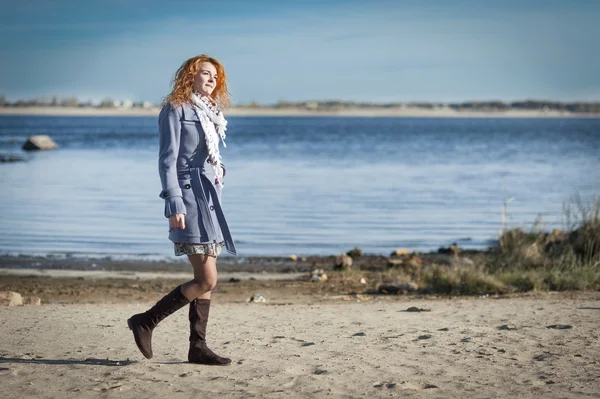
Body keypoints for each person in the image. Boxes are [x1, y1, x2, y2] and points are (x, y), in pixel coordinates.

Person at [127, 54, 237, 366]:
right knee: (206, 279)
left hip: (210, 199)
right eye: (205, 73)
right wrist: (173, 202)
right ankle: (146, 321)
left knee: (207, 276)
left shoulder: (210, 112)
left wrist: (219, 171)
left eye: (215, 76)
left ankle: (197, 347)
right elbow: (168, 160)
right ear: (190, 75)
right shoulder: (174, 109)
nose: (212, 79)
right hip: (188, 199)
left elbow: (205, 156)